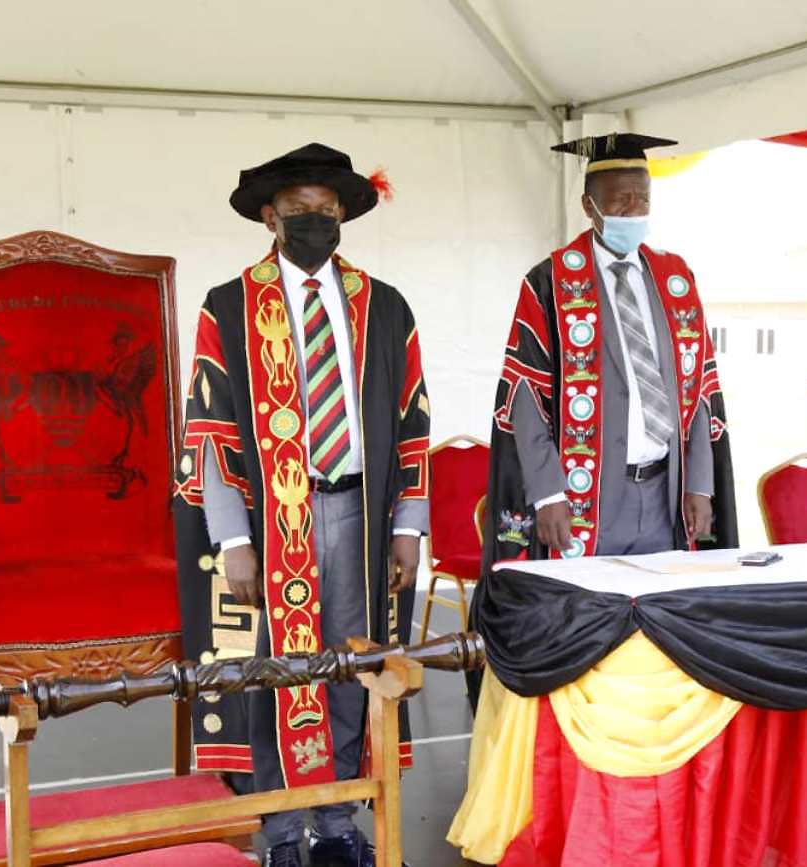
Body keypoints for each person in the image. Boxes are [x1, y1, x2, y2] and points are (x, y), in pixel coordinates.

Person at [172, 143, 429, 867]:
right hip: (270, 523)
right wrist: (232, 539)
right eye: (298, 211)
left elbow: (413, 419)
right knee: (275, 669)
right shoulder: (228, 305)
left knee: (353, 663)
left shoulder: (384, 305)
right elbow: (210, 429)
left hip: (360, 511)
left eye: (325, 209)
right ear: (268, 217)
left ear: (343, 212)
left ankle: (339, 818)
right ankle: (281, 827)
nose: (315, 221)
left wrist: (409, 522)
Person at [483, 132, 737, 571]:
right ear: (589, 206)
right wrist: (548, 493)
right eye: (620, 200)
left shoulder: (675, 278)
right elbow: (525, 396)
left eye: (643, 199)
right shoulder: (550, 282)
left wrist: (700, 484)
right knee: (586, 623)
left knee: (660, 621)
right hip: (585, 495)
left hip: (665, 493)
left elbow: (698, 386)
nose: (634, 210)